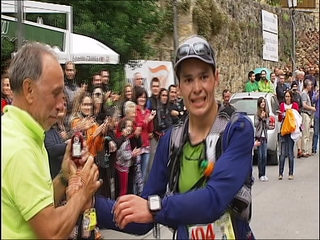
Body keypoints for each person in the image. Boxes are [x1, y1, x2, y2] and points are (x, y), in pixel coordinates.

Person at [94, 35, 255, 239]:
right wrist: (89, 204)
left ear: (216, 78)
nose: (197, 88)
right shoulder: (171, 139)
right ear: (179, 88)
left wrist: (154, 208)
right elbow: (143, 218)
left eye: (203, 76)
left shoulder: (237, 129)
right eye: (188, 79)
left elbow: (214, 200)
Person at [1, 42, 101, 239]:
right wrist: (83, 192)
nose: (60, 105)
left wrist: (63, 177)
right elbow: (51, 232)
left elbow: (36, 210)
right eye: (55, 94)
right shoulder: (20, 148)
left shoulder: (17, 131)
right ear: (29, 90)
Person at [254, 97, 270, 182]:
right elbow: (255, 124)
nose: (263, 104)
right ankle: (260, 174)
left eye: (264, 102)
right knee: (260, 156)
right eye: (261, 102)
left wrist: (265, 119)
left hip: (265, 136)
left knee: (265, 156)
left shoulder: (267, 113)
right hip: (259, 137)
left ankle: (264, 174)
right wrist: (260, 118)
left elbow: (267, 125)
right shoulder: (256, 114)